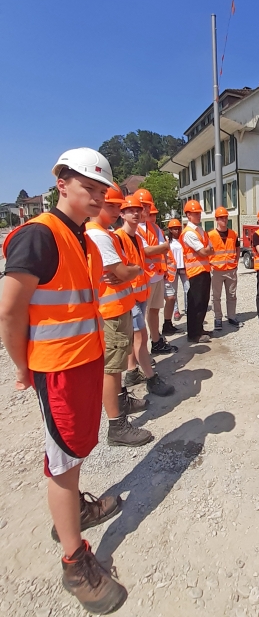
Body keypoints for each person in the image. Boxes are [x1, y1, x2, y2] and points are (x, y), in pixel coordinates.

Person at [0, 147, 127, 614]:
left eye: (101, 191)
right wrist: (21, 367)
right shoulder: (39, 237)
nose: (96, 197)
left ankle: (75, 513)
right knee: (63, 458)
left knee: (75, 449)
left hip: (83, 361)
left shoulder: (84, 240)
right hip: (57, 368)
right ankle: (75, 563)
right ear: (62, 185)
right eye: (88, 188)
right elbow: (10, 311)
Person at [86, 184, 152, 448]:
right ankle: (117, 426)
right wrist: (132, 269)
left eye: (116, 205)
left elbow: (127, 267)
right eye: (111, 205)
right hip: (110, 311)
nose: (115, 210)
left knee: (119, 362)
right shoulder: (100, 236)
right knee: (112, 368)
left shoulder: (108, 234)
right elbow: (126, 271)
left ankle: (121, 400)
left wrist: (129, 269)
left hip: (120, 306)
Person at [116, 197, 175, 398]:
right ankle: (151, 378)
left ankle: (132, 373)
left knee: (137, 337)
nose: (135, 213)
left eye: (137, 210)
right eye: (129, 210)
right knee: (139, 336)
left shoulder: (137, 238)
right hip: (128, 295)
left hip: (140, 293)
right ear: (121, 214)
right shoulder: (119, 238)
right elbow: (121, 270)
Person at [133, 189, 177, 355]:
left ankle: (156, 341)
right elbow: (146, 251)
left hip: (157, 276)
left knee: (154, 311)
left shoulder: (154, 227)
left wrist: (157, 249)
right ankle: (141, 351)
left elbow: (163, 248)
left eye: (147, 206)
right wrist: (158, 248)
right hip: (143, 278)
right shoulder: (135, 228)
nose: (145, 209)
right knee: (140, 315)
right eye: (142, 205)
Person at [181, 199, 213, 343]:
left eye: (199, 213)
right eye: (195, 213)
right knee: (196, 303)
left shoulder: (200, 230)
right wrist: (207, 250)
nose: (198, 215)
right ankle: (193, 333)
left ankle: (199, 328)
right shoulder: (189, 233)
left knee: (203, 302)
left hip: (204, 270)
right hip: (195, 272)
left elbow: (210, 249)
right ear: (188, 215)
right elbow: (203, 251)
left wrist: (207, 250)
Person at [208, 206, 241, 330]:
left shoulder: (233, 234)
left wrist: (236, 262)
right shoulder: (210, 235)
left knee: (232, 295)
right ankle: (218, 318)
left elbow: (237, 249)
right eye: (221, 218)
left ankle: (231, 316)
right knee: (216, 296)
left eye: (226, 218)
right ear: (216, 219)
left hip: (231, 269)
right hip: (216, 270)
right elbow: (207, 251)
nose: (224, 220)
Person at [165, 218, 188, 321]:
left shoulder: (183, 239)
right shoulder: (167, 241)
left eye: (178, 228)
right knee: (173, 292)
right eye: (174, 229)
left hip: (184, 268)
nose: (177, 231)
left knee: (188, 289)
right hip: (173, 269)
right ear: (170, 230)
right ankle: (176, 311)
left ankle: (188, 308)